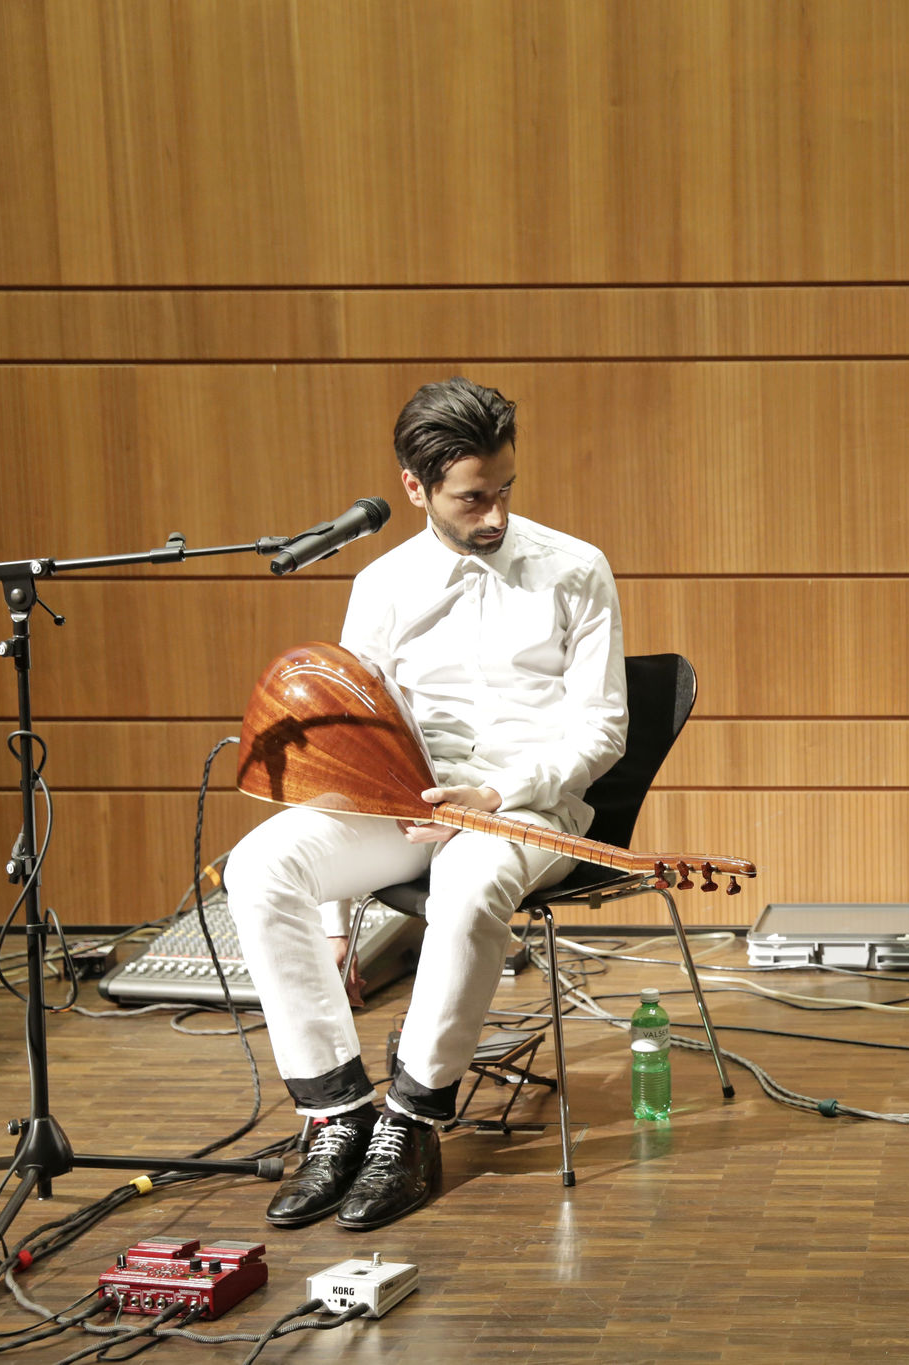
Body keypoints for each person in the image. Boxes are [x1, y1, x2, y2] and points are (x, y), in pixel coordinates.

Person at [225, 377, 627, 1231]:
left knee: (474, 876)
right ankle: (335, 1112)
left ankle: (412, 1116)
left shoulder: (576, 569)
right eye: (473, 497)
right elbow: (346, 744)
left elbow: (604, 729)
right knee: (261, 864)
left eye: (506, 489)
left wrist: (499, 792)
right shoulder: (381, 584)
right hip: (405, 806)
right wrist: (336, 921)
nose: (495, 514)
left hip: (530, 807)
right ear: (415, 487)